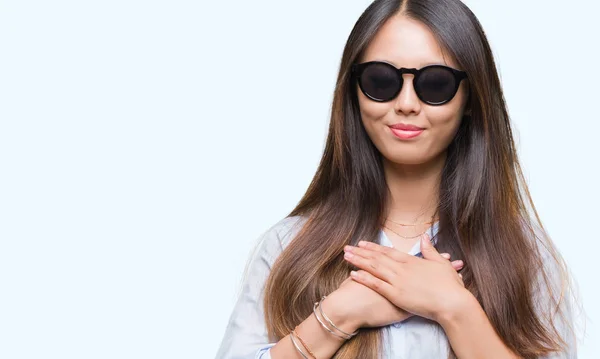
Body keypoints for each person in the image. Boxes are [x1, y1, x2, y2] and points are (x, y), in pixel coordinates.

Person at [215, 0, 578, 358]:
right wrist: (338, 314)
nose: (406, 103)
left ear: (471, 98)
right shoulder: (289, 247)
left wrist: (456, 310)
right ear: (353, 91)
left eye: (436, 84)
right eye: (381, 80)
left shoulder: (523, 255)